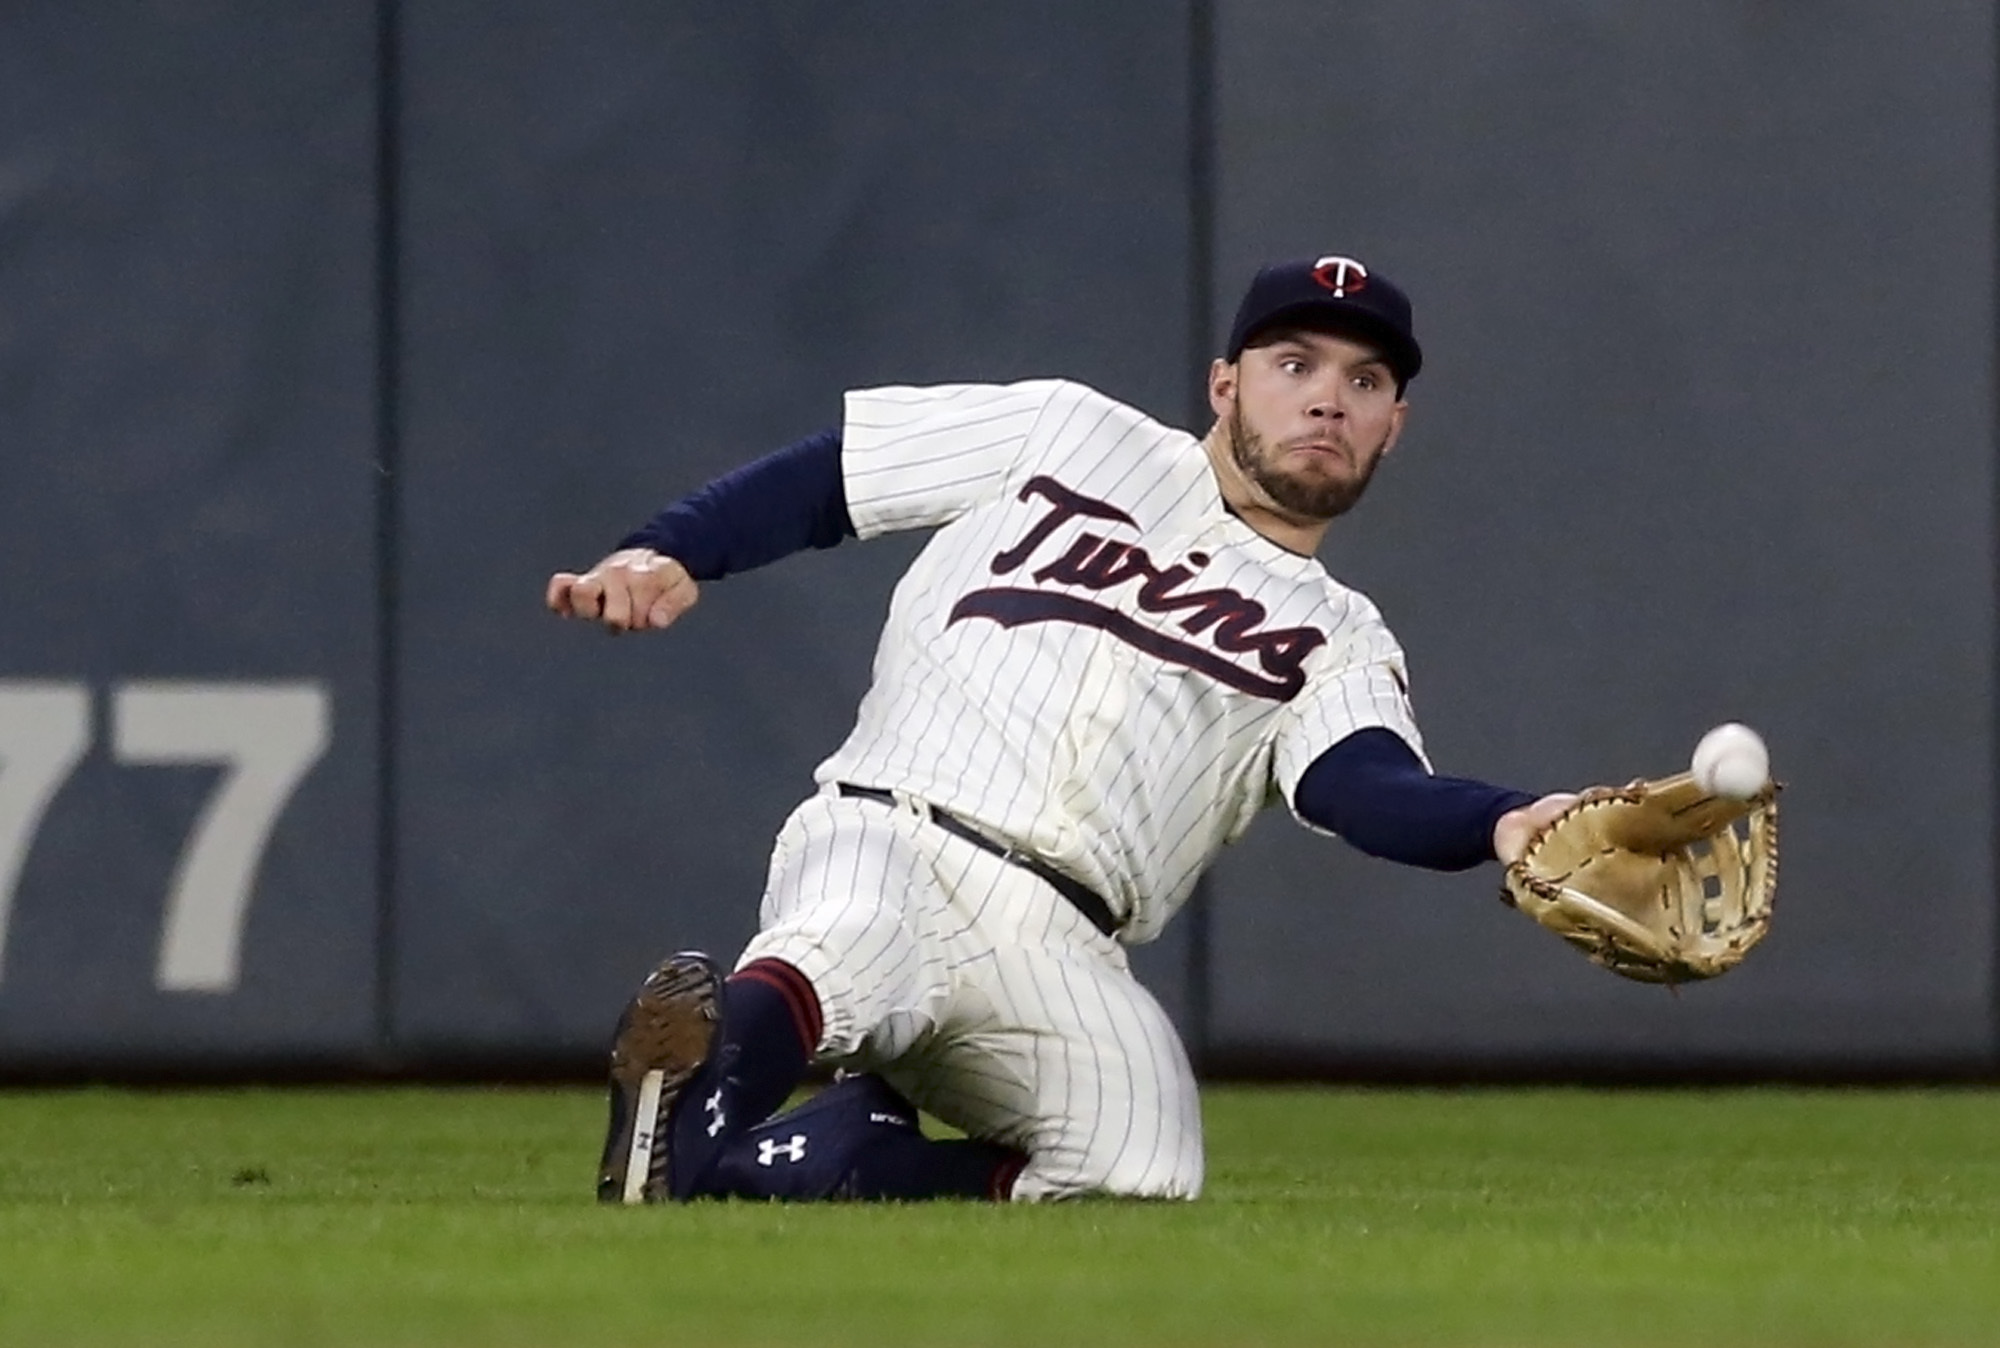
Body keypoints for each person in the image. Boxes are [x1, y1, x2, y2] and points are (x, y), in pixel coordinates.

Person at [546, 254, 1578, 1203]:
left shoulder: (1338, 635)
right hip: (894, 831)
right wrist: (671, 549)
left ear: (1392, 423)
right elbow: (837, 474)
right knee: (846, 943)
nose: (1324, 398)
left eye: (1363, 382)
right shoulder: (1064, 431)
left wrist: (1504, 820)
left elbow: (1363, 784)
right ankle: (696, 1105)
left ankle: (798, 1156)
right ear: (1225, 385)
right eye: (1294, 362)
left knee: (1141, 1164)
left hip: (1061, 940)